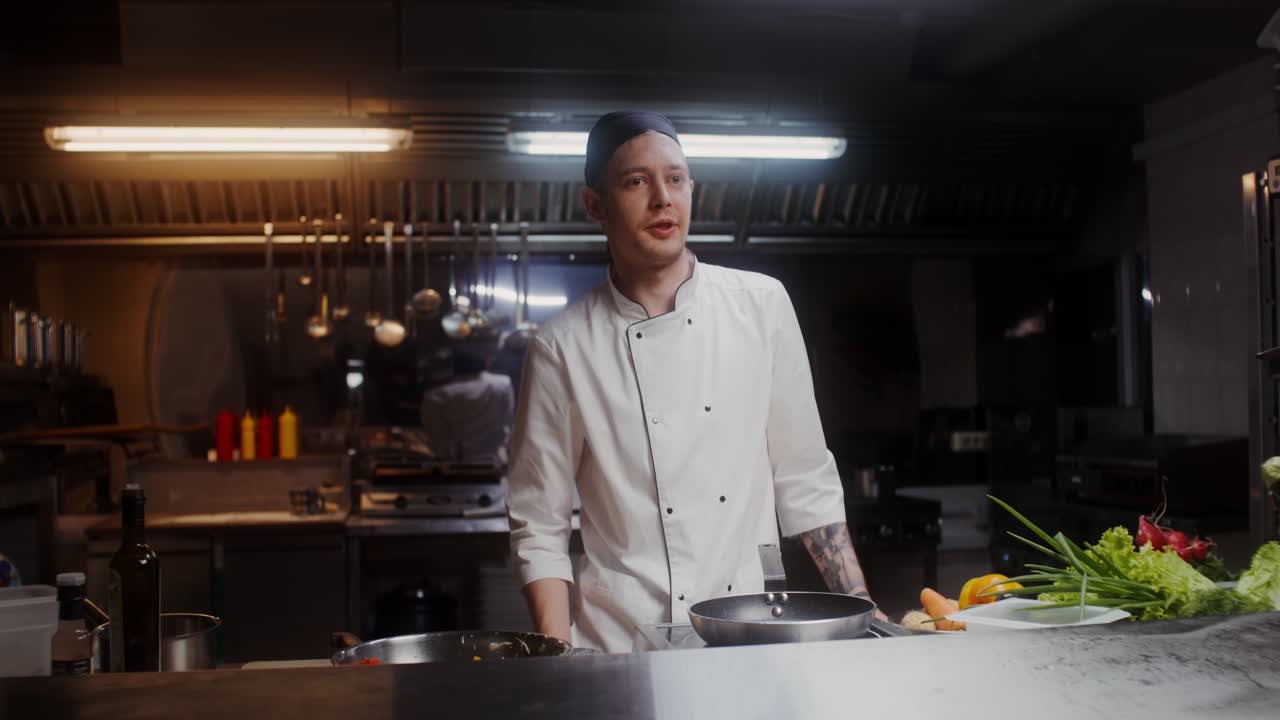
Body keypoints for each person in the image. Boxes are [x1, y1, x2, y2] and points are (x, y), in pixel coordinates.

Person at [506, 111, 880, 652]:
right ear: (595, 206)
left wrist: (863, 613)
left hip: (747, 636)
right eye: (636, 181)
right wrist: (557, 660)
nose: (662, 198)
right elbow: (539, 527)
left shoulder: (761, 306)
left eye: (675, 179)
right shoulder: (561, 347)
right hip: (618, 648)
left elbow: (805, 478)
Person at [420, 335, 514, 464]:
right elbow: (507, 420)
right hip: (494, 459)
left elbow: (436, 434)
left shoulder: (437, 395)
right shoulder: (503, 384)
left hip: (455, 464)